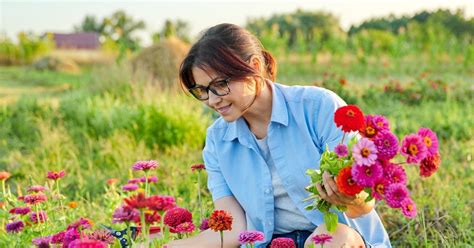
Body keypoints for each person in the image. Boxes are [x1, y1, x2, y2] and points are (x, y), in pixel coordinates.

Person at [167, 23, 391, 248]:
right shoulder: (218, 140)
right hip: (274, 244)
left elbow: (362, 206)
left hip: (342, 240)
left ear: (253, 66)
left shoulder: (318, 108)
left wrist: (349, 197)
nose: (212, 100)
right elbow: (232, 229)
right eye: (202, 90)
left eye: (220, 84)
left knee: (330, 235)